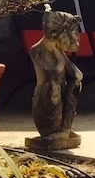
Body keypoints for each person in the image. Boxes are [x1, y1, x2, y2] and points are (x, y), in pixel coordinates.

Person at [29, 10, 83, 145]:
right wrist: (60, 59)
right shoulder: (37, 50)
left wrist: (61, 55)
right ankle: (52, 130)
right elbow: (53, 75)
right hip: (46, 98)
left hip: (60, 92)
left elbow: (77, 75)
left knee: (76, 83)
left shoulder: (58, 50)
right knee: (52, 87)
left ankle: (64, 128)